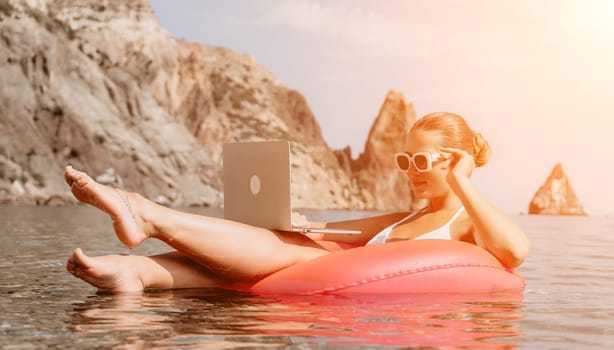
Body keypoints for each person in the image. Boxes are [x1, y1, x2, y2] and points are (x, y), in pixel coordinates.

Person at [65, 112, 530, 292]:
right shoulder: (414, 215)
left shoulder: (465, 223)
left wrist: (462, 178)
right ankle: (137, 272)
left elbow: (514, 252)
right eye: (404, 158)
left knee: (282, 252)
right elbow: (349, 233)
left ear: (454, 160)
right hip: (330, 276)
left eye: (421, 159)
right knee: (286, 238)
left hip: (343, 296)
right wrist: (303, 227)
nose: (410, 169)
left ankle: (145, 212)